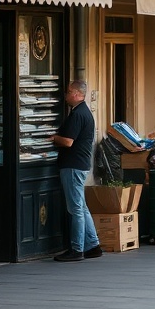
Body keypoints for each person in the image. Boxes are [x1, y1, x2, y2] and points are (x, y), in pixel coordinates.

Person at [51, 79, 103, 262]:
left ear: (75, 93)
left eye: (67, 92)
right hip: (80, 165)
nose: (65, 96)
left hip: (72, 165)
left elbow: (68, 141)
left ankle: (76, 249)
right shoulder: (85, 113)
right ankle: (93, 245)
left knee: (75, 209)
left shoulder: (77, 115)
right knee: (82, 207)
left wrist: (53, 137)